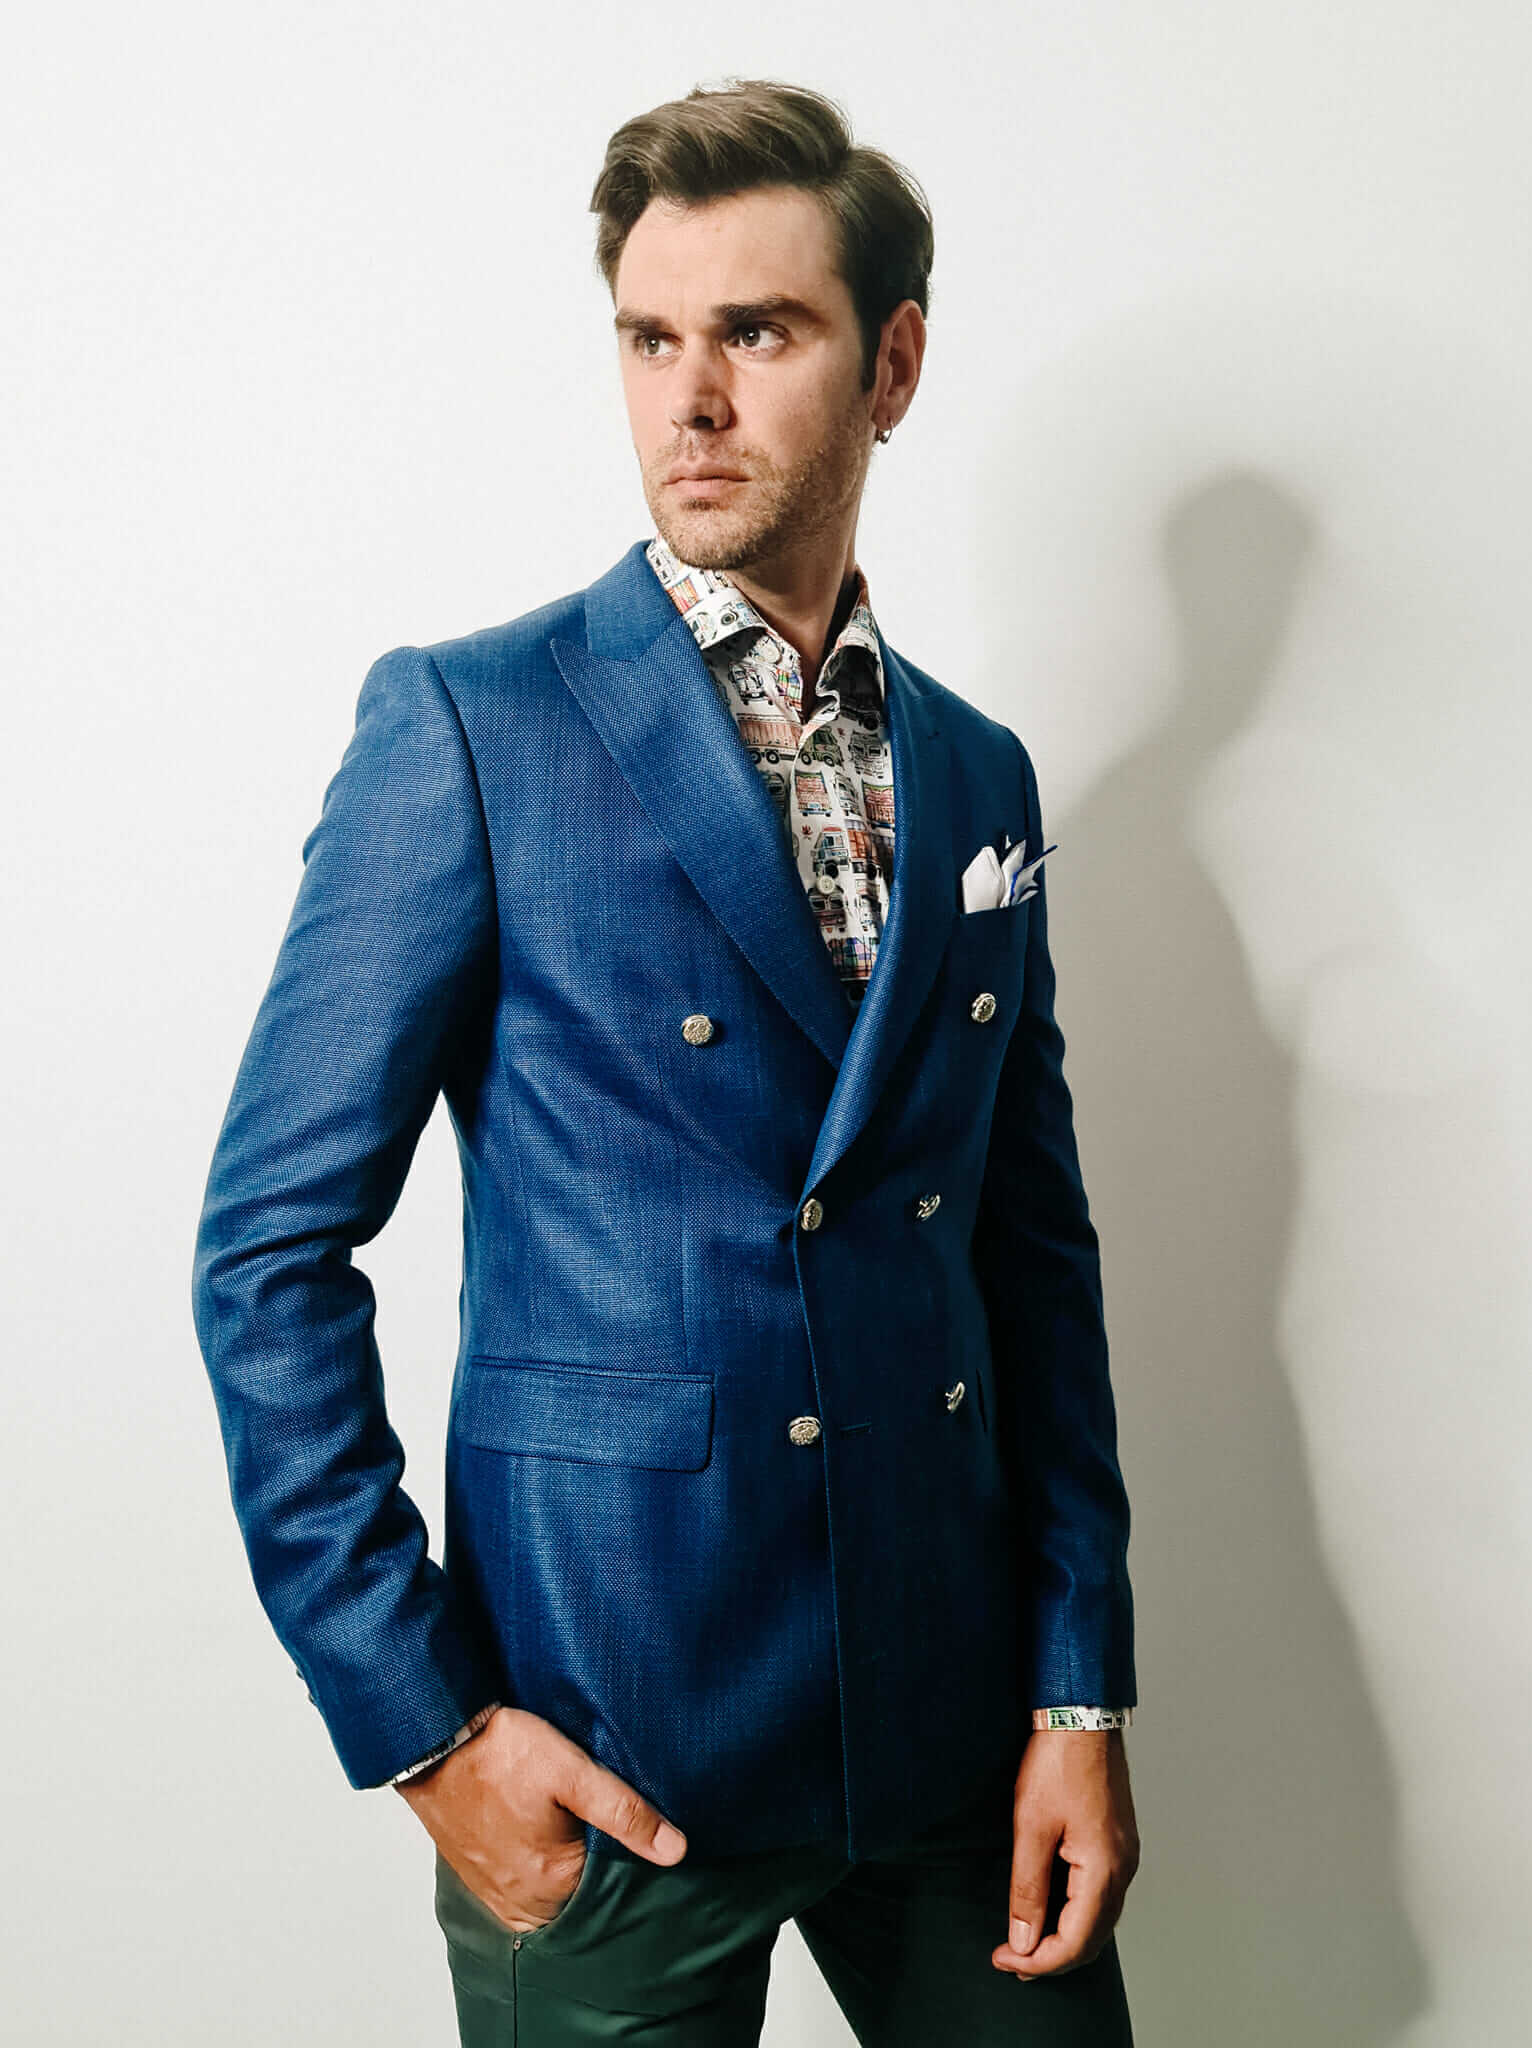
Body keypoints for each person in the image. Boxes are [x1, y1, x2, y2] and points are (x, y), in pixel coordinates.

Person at [192, 76, 1140, 2045]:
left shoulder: (978, 774)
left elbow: (1029, 1254)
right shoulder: (472, 725)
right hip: (610, 1740)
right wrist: (424, 1722)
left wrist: (1076, 1688)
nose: (689, 399)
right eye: (650, 338)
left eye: (757, 333)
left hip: (954, 1734)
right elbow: (269, 1251)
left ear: (892, 365)